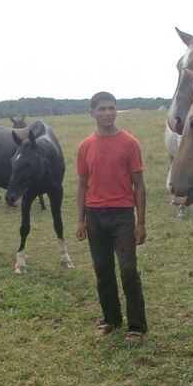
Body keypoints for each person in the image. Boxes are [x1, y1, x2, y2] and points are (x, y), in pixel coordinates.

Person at [76, 91, 148, 342]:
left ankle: (137, 326)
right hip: (95, 216)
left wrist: (140, 222)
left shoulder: (130, 143)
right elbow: (82, 185)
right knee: (103, 271)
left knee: (128, 271)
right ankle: (111, 319)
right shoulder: (86, 146)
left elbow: (139, 184)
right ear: (92, 113)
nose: (107, 113)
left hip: (122, 216)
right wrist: (80, 220)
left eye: (111, 108)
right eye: (102, 109)